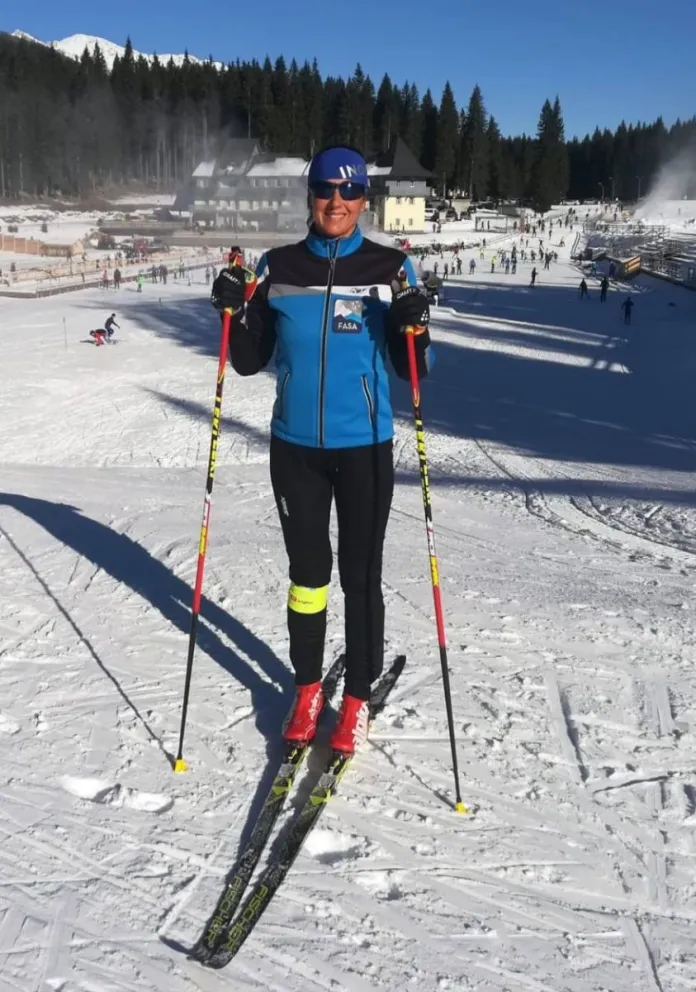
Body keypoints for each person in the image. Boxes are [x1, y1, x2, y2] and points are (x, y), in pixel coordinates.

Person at [210, 145, 432, 756]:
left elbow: (415, 372)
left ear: (364, 199)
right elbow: (250, 361)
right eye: (326, 190)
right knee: (307, 578)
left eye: (350, 191)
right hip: (295, 450)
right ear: (310, 196)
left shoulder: (391, 268)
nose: (337, 202)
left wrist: (412, 324)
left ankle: (356, 699)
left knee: (362, 578)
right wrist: (232, 308)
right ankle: (308, 688)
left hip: (364, 448)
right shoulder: (278, 265)